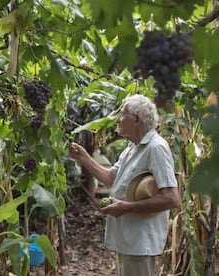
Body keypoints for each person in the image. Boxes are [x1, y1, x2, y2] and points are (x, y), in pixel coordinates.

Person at [69, 94, 180, 276]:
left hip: (141, 242)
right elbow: (111, 178)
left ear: (136, 120)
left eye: (122, 115)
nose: (118, 120)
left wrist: (127, 207)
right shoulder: (132, 148)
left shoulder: (156, 148)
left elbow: (171, 198)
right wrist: (84, 158)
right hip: (128, 241)